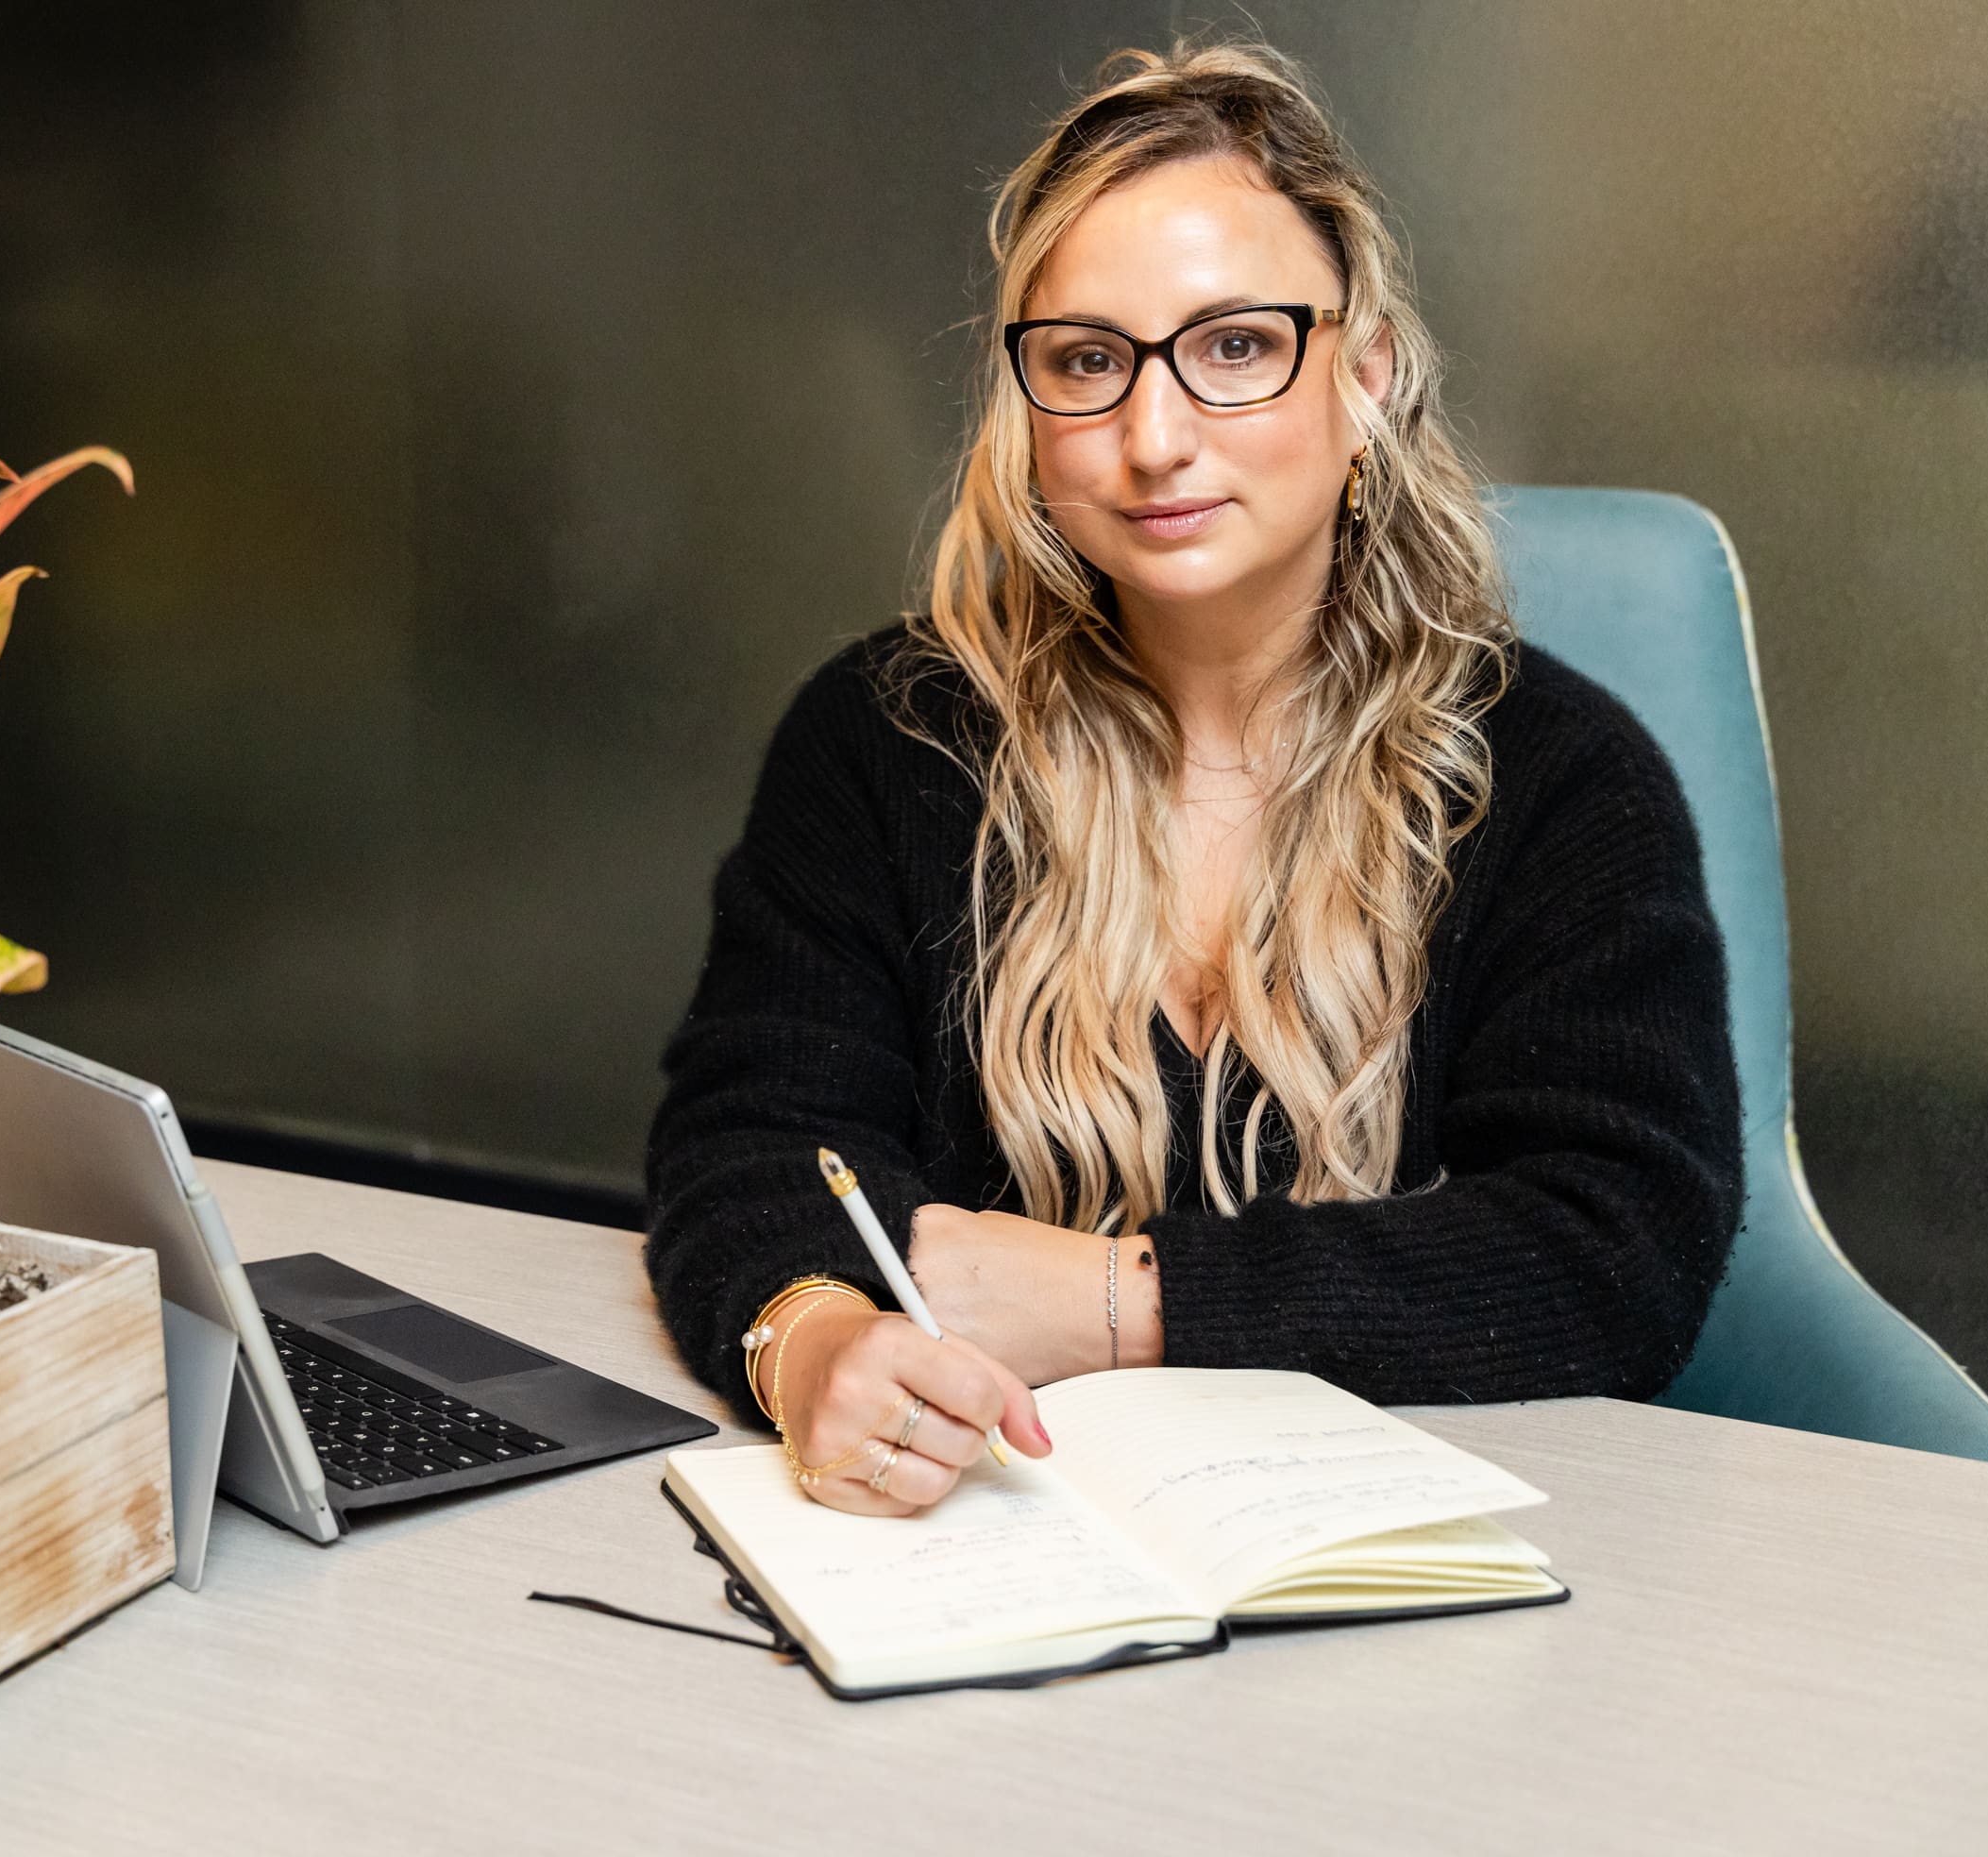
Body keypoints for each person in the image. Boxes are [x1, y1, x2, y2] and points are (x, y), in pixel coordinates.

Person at [643, 40, 1742, 1517]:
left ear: (1363, 380)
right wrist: (814, 1338)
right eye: (1089, 362)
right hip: (992, 1550)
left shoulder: (1560, 780)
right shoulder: (886, 738)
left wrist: (1117, 1302)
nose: (1154, 439)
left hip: (1413, 1581)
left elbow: (1618, 1252)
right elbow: (758, 1142)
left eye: (1234, 347)